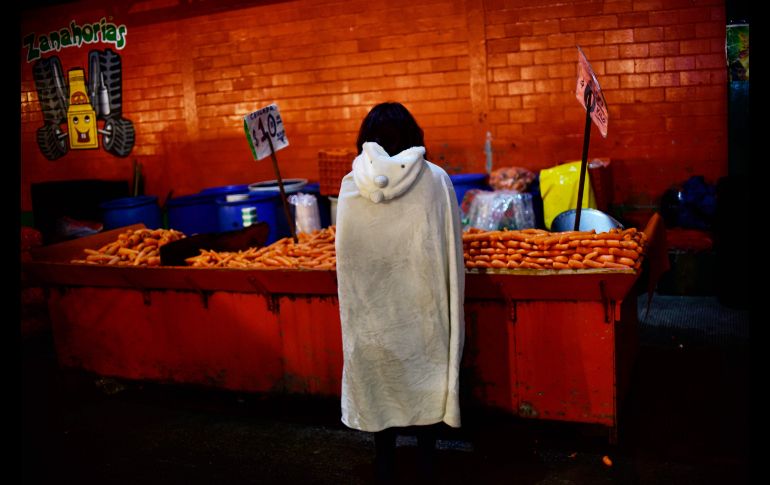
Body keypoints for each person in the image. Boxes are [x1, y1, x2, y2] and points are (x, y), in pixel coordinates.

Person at [334, 102, 465, 482]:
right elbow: (449, 245)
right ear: (413, 134)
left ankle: (385, 462)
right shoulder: (436, 180)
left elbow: (348, 257)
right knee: (423, 374)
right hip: (422, 309)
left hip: (373, 314)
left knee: (381, 377)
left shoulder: (349, 186)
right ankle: (426, 462)